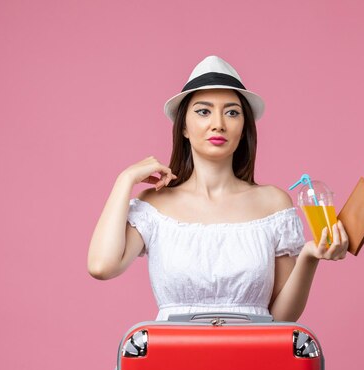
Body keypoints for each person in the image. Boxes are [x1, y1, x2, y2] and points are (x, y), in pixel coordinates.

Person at [87, 56, 349, 322]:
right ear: (184, 127)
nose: (218, 123)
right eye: (203, 111)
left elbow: (280, 319)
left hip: (253, 358)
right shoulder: (156, 205)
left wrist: (309, 256)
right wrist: (125, 179)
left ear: (244, 126)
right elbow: (101, 266)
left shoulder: (273, 202)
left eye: (232, 112)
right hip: (173, 359)